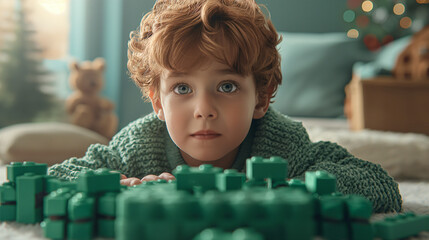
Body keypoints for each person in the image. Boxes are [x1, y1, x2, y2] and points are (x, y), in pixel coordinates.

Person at [48, 0, 402, 213]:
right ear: (157, 101)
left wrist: (286, 190)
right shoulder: (139, 145)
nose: (204, 109)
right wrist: (119, 185)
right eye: (183, 87)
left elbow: (379, 184)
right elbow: (55, 179)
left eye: (227, 86)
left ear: (260, 98)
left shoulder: (280, 144)